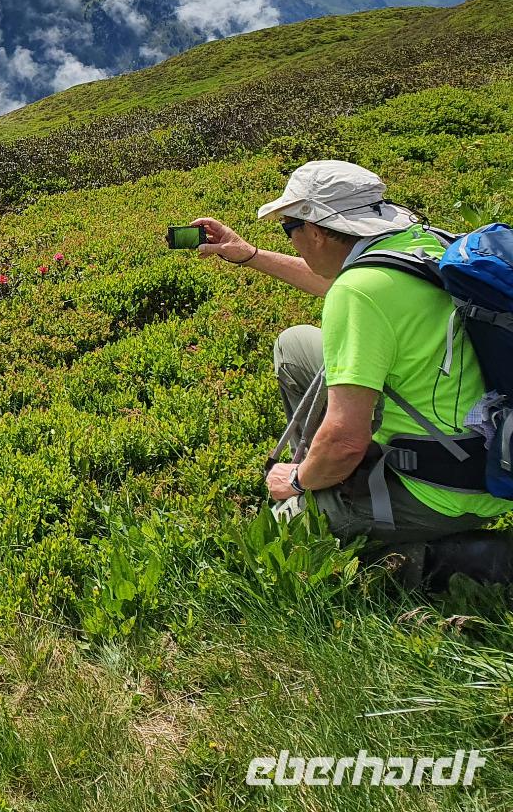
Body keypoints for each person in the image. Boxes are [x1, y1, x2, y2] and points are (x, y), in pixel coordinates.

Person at [193, 160, 513, 581]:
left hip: (445, 489)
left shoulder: (358, 293)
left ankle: (471, 564)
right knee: (296, 345)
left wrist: (299, 484)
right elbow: (343, 281)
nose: (290, 239)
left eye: (289, 228)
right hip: (489, 448)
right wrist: (249, 255)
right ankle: (329, 476)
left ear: (319, 231)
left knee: (281, 538)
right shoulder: (420, 244)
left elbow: (345, 441)